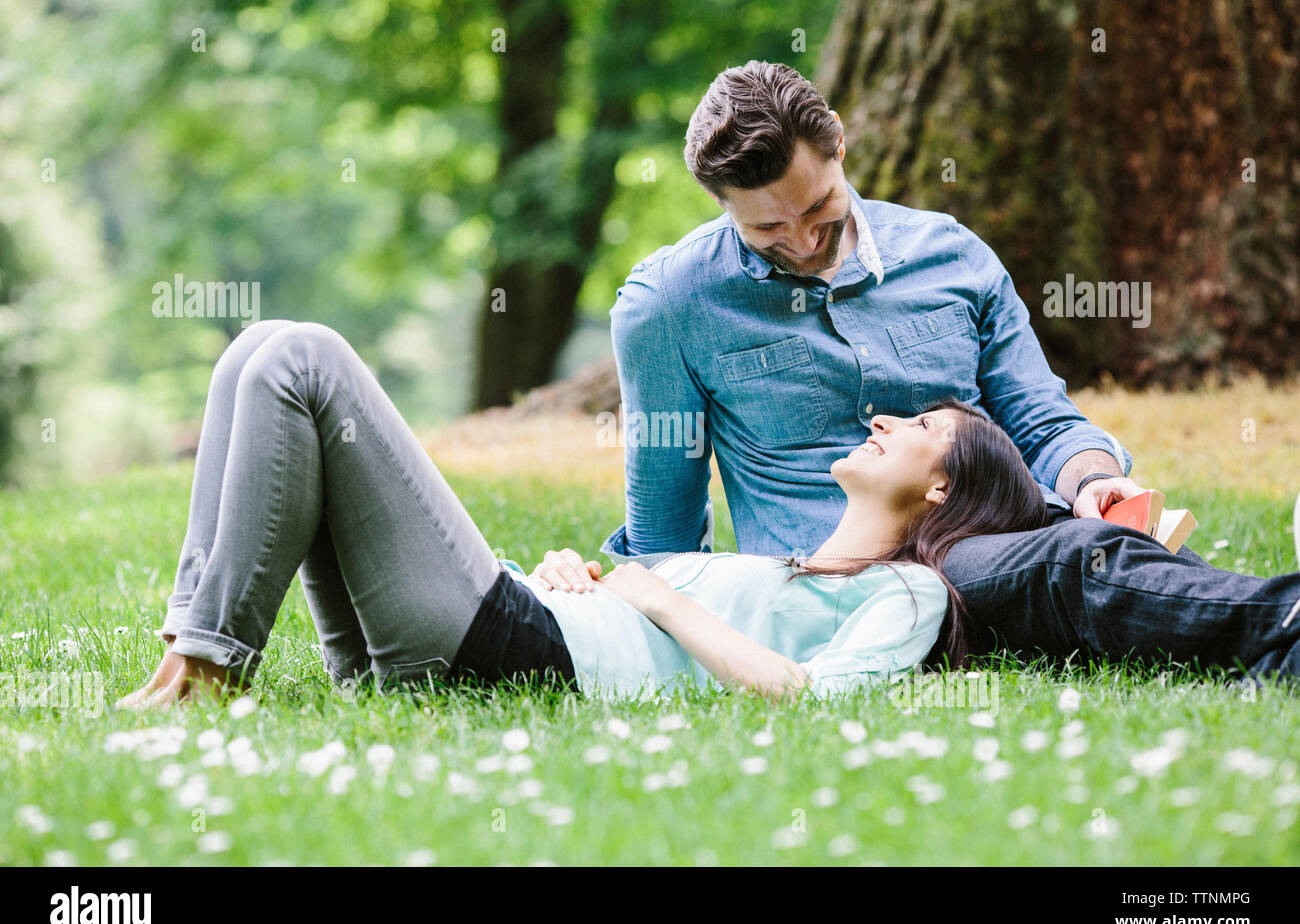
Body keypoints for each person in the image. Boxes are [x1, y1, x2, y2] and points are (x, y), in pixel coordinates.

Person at [599, 59, 1300, 680]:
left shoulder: (949, 254)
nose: (805, 242)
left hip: (1016, 530)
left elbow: (1040, 419)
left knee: (1095, 548)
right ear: (721, 205)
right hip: (857, 584)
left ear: (839, 142)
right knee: (1077, 561)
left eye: (818, 208)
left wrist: (1096, 482)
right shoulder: (667, 306)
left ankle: (1274, 642)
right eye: (768, 231)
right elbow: (664, 530)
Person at [114, 320, 1047, 709]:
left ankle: (207, 661)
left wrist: (657, 597)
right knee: (260, 348)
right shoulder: (795, 564)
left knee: (305, 358)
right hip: (516, 619)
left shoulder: (915, 594)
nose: (885, 418)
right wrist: (591, 579)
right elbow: (648, 613)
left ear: (941, 490)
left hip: (511, 648)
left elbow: (818, 698)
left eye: (922, 425)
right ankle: (199, 653)